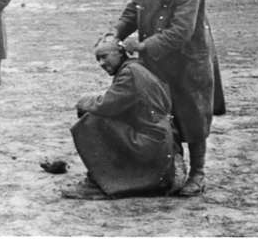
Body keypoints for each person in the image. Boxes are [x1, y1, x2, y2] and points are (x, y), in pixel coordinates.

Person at [105, 0, 225, 196]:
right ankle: (172, 166)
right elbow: (132, 10)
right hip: (156, 57)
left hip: (188, 60)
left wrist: (141, 46)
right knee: (160, 112)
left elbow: (181, 32)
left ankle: (198, 174)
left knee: (193, 114)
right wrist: (115, 31)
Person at [62, 39, 186, 200]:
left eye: (104, 56)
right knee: (97, 116)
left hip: (152, 143)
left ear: (120, 53)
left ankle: (97, 184)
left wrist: (83, 102)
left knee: (91, 121)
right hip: (161, 141)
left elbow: (106, 105)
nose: (101, 63)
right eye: (98, 59)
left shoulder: (130, 73)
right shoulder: (137, 67)